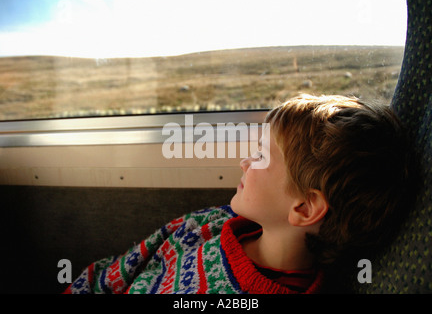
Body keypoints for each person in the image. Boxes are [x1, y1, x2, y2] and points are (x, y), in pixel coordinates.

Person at [64, 94, 415, 294]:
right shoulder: (217, 223)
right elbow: (131, 265)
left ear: (305, 207)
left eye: (262, 156)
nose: (245, 161)